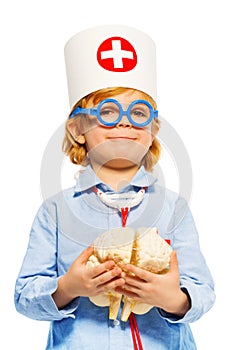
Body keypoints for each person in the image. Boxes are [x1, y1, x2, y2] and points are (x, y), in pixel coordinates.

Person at [14, 25, 215, 349]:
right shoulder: (56, 211)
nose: (124, 122)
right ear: (78, 128)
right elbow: (24, 297)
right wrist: (68, 287)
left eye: (138, 113)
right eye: (107, 112)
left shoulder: (173, 208)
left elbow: (203, 292)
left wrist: (174, 299)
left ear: (153, 129)